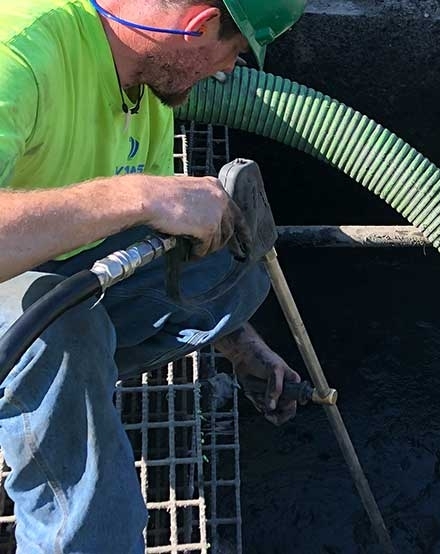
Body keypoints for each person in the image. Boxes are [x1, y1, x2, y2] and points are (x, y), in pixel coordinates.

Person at [0, 0, 307, 551]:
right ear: (199, 25)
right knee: (66, 336)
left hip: (58, 261)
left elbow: (162, 249)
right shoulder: (19, 51)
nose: (228, 71)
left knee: (234, 270)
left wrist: (240, 348)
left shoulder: (146, 78)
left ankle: (64, 392)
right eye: (233, 50)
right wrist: (136, 195)